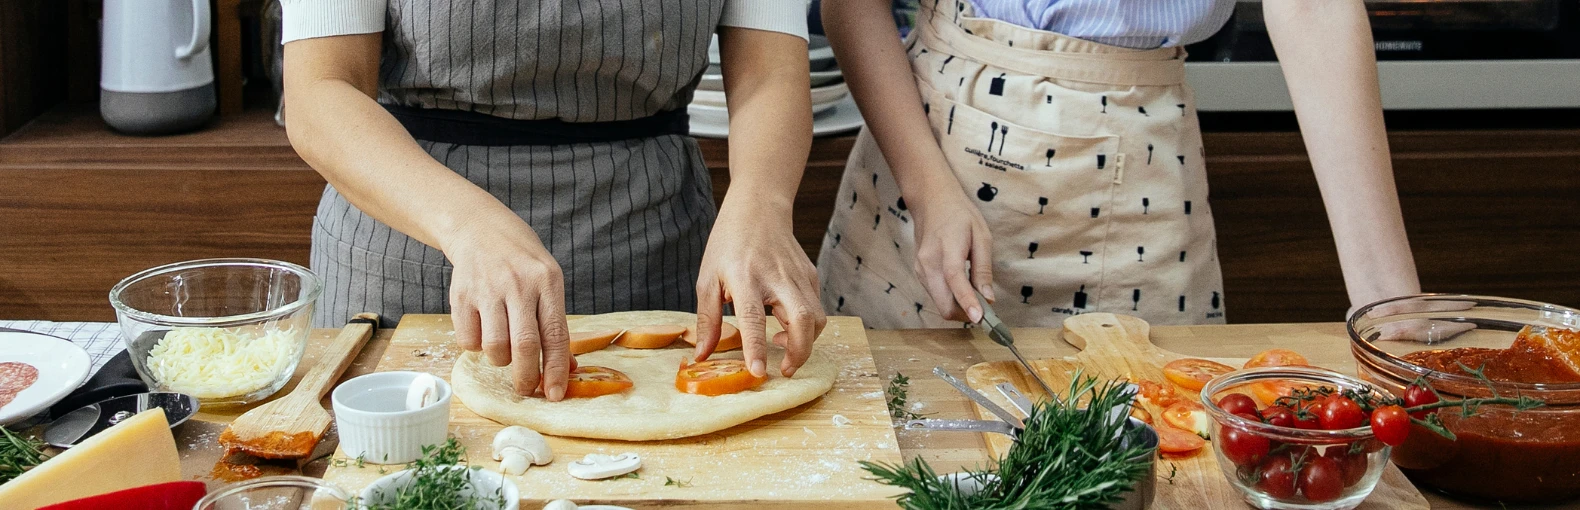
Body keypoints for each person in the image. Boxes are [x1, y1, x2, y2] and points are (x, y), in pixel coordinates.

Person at [280, 0, 827, 400]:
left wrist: (763, 205)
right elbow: (321, 91)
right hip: (412, 259)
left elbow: (769, 73)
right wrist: (468, 226)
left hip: (653, 248)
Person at [816, 0, 1420, 328]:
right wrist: (928, 194)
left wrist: (1389, 304)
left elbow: (1312, 7)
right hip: (929, 157)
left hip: (1144, 170)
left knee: (1157, 466)